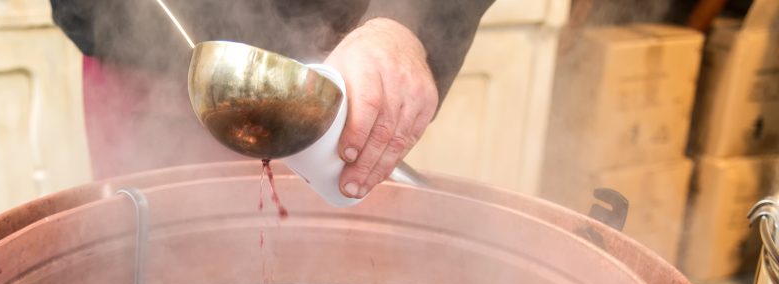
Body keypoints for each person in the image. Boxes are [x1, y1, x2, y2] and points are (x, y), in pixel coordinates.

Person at [51, 1, 494, 199]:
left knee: (349, 280)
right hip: (140, 73)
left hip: (349, 72)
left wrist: (406, 21)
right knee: (147, 264)